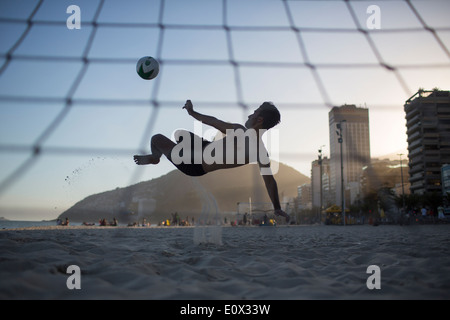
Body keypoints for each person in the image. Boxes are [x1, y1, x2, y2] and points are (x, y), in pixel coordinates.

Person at [134, 100, 289, 222]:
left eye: (254, 113)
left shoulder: (245, 136)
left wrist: (191, 112)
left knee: (156, 139)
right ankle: (163, 153)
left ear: (259, 119)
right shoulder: (258, 149)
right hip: (203, 146)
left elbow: (269, 181)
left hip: (194, 164)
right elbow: (270, 181)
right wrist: (277, 207)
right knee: (180, 135)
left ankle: (155, 158)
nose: (250, 115)